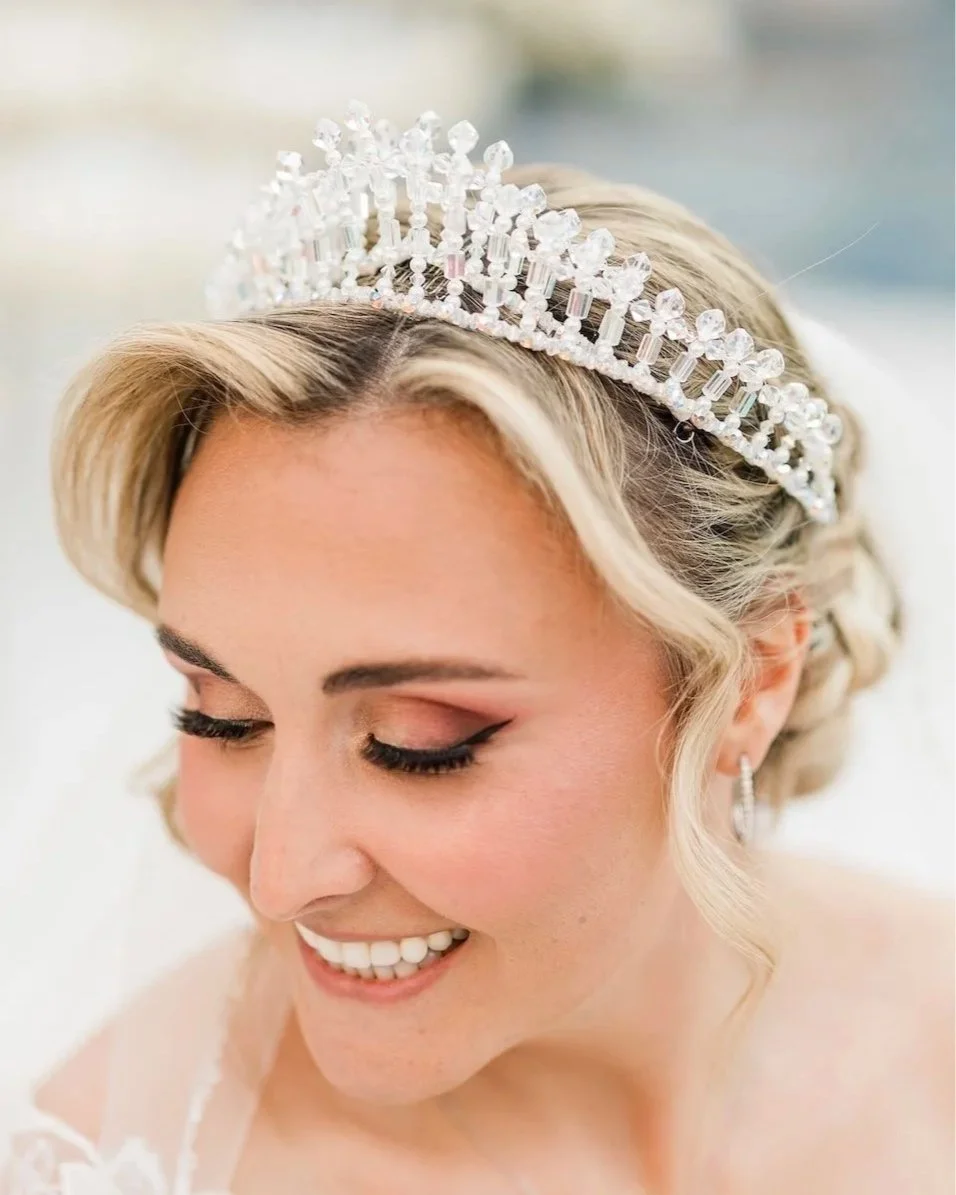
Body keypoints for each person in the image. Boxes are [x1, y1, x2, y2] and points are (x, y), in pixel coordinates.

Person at [0, 103, 951, 1194]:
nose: (278, 879)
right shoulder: (111, 1157)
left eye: (419, 743)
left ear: (749, 679)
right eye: (222, 715)